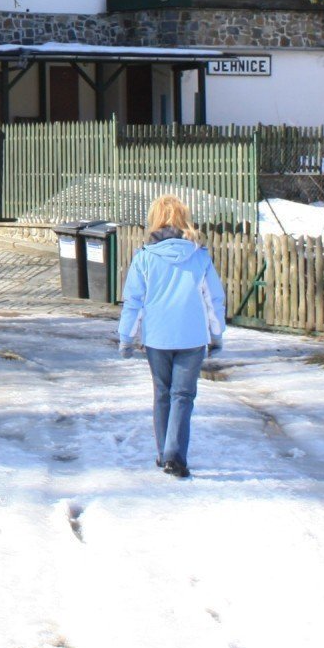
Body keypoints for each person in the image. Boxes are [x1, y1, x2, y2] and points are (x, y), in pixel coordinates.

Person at [117, 195, 227, 478]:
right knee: (183, 396)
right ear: (184, 219)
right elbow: (213, 299)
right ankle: (174, 456)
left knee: (163, 393)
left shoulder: (144, 258)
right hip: (192, 337)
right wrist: (217, 334)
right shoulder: (199, 257)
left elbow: (134, 301)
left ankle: (164, 452)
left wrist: (126, 336)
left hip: (158, 338)